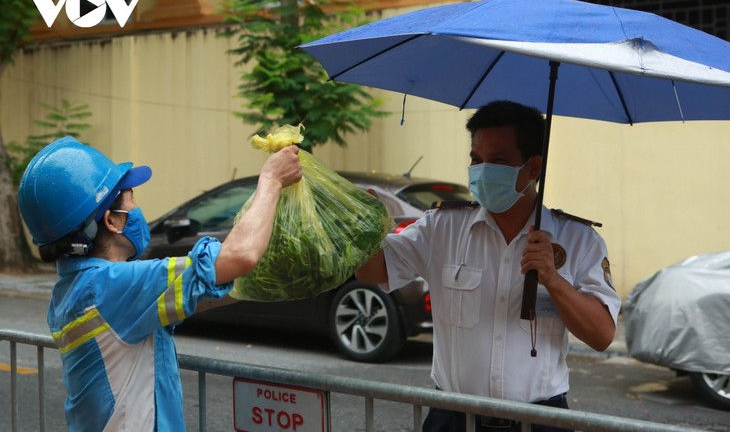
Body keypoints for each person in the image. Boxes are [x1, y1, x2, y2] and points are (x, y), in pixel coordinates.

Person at [356, 101, 621, 432]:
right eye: (475, 160)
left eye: (498, 161)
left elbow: (601, 335)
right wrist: (364, 226)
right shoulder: (443, 227)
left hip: (541, 421)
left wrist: (553, 280)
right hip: (453, 418)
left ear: (534, 168)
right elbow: (370, 271)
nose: (481, 171)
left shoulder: (578, 240)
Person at [17, 136, 302, 432]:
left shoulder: (74, 289)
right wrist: (271, 180)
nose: (139, 209)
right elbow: (239, 256)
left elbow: (202, 290)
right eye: (131, 199)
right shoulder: (109, 288)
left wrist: (275, 285)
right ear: (113, 221)